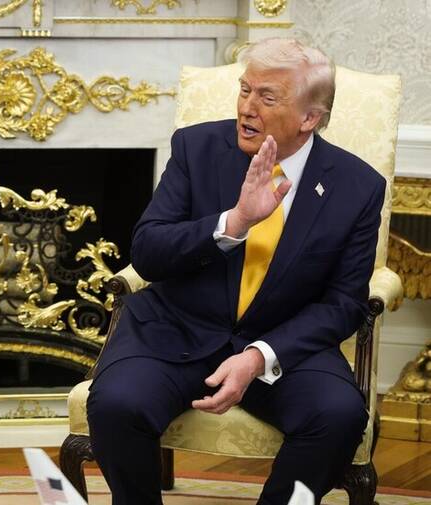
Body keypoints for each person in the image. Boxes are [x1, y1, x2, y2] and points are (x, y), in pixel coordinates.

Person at [87, 38, 385, 505]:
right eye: (245, 89)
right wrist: (235, 223)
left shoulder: (357, 186)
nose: (247, 107)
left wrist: (259, 356)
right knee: (116, 404)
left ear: (309, 118)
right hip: (176, 330)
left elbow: (343, 303)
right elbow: (147, 252)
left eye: (267, 97)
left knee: (338, 416)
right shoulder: (196, 148)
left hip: (282, 344)